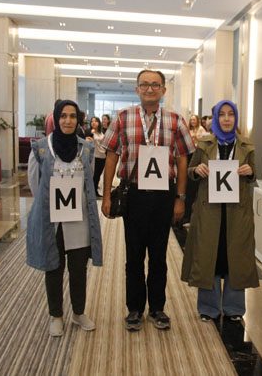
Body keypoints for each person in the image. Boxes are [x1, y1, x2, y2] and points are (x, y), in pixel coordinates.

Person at [100, 69, 194, 332]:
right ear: (137, 89)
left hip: (164, 195)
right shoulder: (123, 118)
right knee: (133, 255)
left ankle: (157, 308)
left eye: (155, 84)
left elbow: (183, 160)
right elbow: (111, 156)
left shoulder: (175, 121)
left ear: (163, 89)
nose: (150, 89)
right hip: (134, 195)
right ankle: (134, 309)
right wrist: (106, 195)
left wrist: (180, 198)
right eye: (144, 84)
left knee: (159, 255)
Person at [26, 100, 103, 337]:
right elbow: (35, 185)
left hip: (79, 220)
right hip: (53, 221)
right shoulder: (41, 148)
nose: (68, 121)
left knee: (78, 268)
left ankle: (78, 312)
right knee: (54, 267)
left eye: (72, 116)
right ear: (56, 119)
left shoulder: (86, 149)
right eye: (63, 116)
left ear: (78, 120)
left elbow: (88, 181)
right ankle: (56, 315)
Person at [181, 100, 259, 322]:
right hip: (210, 211)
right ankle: (209, 308)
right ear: (216, 118)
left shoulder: (247, 145)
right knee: (210, 256)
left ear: (236, 118)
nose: (226, 119)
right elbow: (190, 170)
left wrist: (250, 171)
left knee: (236, 257)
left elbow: (254, 173)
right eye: (222, 115)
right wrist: (197, 169)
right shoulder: (204, 144)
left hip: (237, 212)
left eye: (230, 114)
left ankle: (234, 308)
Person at [90, 116, 106, 197]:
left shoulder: (101, 133)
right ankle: (93, 192)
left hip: (103, 156)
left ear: (99, 123)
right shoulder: (91, 132)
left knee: (99, 175)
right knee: (94, 175)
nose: (93, 122)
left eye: (95, 121)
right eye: (92, 121)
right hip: (95, 157)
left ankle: (95, 190)